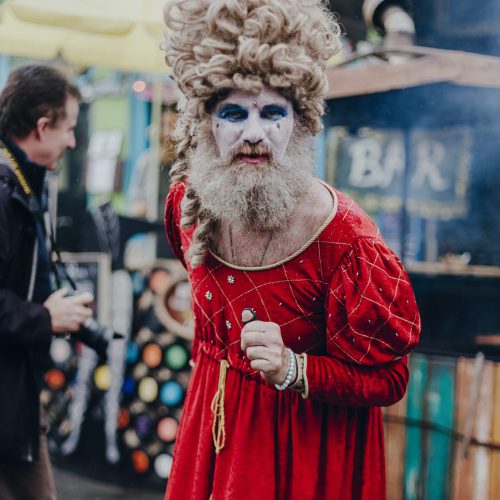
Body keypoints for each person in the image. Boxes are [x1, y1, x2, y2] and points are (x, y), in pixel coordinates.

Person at [162, 1, 421, 498]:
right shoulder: (187, 207)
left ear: (300, 123)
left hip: (307, 455)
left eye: (273, 113)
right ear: (204, 122)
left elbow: (389, 380)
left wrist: (294, 369)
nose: (254, 133)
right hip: (211, 441)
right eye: (233, 112)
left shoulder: (349, 242)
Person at [0, 65, 93, 500]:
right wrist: (44, 317)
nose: (73, 141)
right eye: (69, 128)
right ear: (42, 127)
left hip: (15, 395)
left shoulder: (20, 183)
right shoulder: (5, 190)